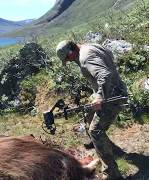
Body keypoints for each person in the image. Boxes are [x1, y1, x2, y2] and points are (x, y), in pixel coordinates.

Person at [56, 40, 128, 180]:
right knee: (89, 113)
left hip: (112, 97)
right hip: (114, 90)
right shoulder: (90, 47)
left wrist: (100, 97)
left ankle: (112, 174)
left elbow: (105, 75)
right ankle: (101, 145)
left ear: (71, 52)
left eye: (68, 59)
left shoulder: (85, 57)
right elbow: (109, 56)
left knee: (95, 131)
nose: (69, 61)